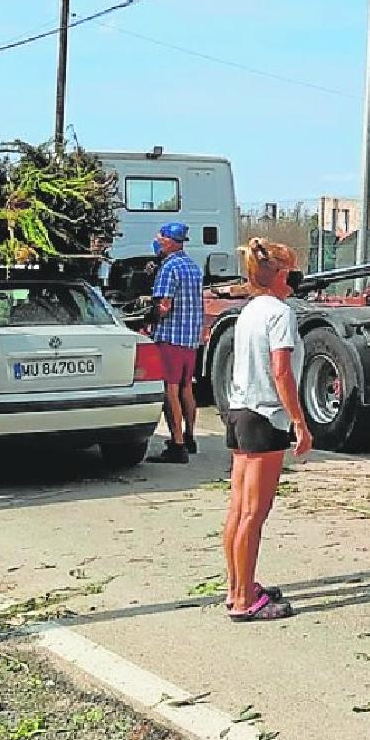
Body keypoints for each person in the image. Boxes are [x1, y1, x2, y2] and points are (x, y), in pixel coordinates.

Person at [219, 239, 314, 622]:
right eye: (290, 270)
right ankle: (243, 600)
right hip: (265, 417)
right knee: (253, 515)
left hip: (240, 412)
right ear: (277, 276)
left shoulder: (249, 311)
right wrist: (299, 422)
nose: (294, 276)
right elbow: (281, 371)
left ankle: (237, 586)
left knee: (239, 509)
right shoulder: (279, 313)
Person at [147, 222, 205, 464]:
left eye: (161, 238)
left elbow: (164, 305)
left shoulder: (169, 267)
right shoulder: (193, 266)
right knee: (186, 388)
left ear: (170, 241)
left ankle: (177, 445)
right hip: (190, 339)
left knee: (169, 390)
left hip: (170, 337)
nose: (158, 241)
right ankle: (190, 437)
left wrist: (148, 319)